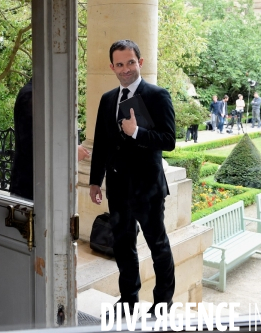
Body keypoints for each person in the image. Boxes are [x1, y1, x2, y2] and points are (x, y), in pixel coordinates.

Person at [89, 39, 176, 319]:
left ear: (140, 62)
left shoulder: (158, 95)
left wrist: (137, 132)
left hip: (148, 190)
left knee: (158, 246)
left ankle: (162, 304)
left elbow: (169, 140)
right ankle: (128, 301)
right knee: (123, 247)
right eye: (119, 64)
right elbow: (101, 143)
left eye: (130, 62)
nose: (125, 69)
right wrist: (94, 181)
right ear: (111, 66)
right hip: (117, 188)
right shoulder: (107, 99)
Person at [10, 78, 89, 200]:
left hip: (45, 186)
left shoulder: (46, 94)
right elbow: (31, 145)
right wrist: (70, 152)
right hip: (31, 188)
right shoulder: (31, 95)